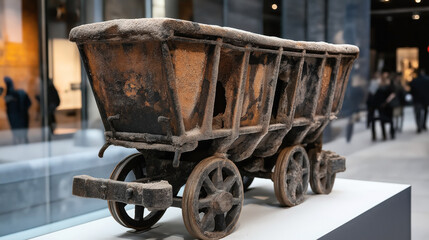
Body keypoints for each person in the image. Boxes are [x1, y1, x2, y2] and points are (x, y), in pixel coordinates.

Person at [3, 76, 32, 144]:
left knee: (21, 132)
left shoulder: (20, 93)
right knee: (18, 132)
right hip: (16, 116)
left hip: (19, 116)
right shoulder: (12, 93)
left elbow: (28, 103)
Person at [371, 72, 396, 140]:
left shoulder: (389, 86)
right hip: (381, 105)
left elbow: (393, 94)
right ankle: (383, 135)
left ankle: (390, 133)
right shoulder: (379, 86)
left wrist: (386, 102)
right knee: (381, 120)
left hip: (387, 106)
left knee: (389, 120)